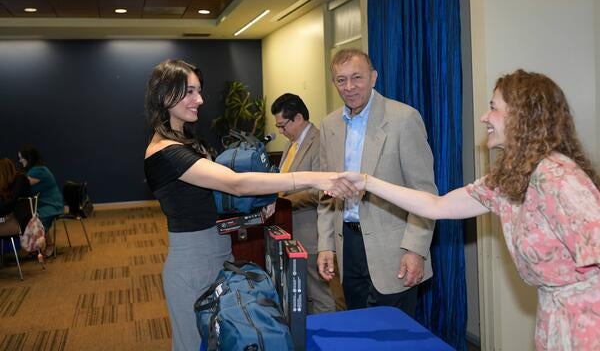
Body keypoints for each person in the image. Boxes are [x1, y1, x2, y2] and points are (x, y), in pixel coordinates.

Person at [335, 69, 600, 350]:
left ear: (522, 117)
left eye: (493, 108)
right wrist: (367, 182)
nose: (484, 117)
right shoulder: (512, 177)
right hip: (554, 319)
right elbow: (436, 206)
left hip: (587, 323)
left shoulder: (557, 177)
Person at [143, 59, 355, 351]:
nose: (200, 100)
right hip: (192, 264)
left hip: (217, 253)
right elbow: (235, 183)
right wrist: (317, 179)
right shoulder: (164, 153)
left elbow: (215, 200)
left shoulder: (183, 142)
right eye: (190, 92)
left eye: (199, 91)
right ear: (166, 94)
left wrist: (261, 204)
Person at [316, 48, 438, 316]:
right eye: (341, 80)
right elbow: (327, 193)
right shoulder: (328, 126)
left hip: (394, 250)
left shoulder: (403, 119)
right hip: (347, 247)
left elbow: (424, 192)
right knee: (359, 331)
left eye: (357, 77)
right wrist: (325, 244)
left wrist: (415, 249)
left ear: (373, 77)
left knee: (393, 337)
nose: (349, 87)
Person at [271, 93, 339, 313]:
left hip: (311, 232)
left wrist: (283, 201)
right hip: (292, 228)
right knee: (303, 295)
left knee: (320, 295)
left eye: (282, 125)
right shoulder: (291, 144)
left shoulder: (319, 142)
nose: (280, 131)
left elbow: (322, 190)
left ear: (298, 118)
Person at [18, 145, 63, 256]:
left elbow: (22, 185)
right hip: (44, 203)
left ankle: (48, 244)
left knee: (34, 218)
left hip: (52, 204)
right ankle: (35, 245)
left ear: (28, 158)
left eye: (21, 158)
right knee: (28, 215)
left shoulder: (38, 171)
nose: (19, 160)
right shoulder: (34, 170)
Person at [0, 158, 31, 236]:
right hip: (15, 220)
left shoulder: (20, 180)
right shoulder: (16, 181)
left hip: (20, 223)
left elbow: (8, 204)